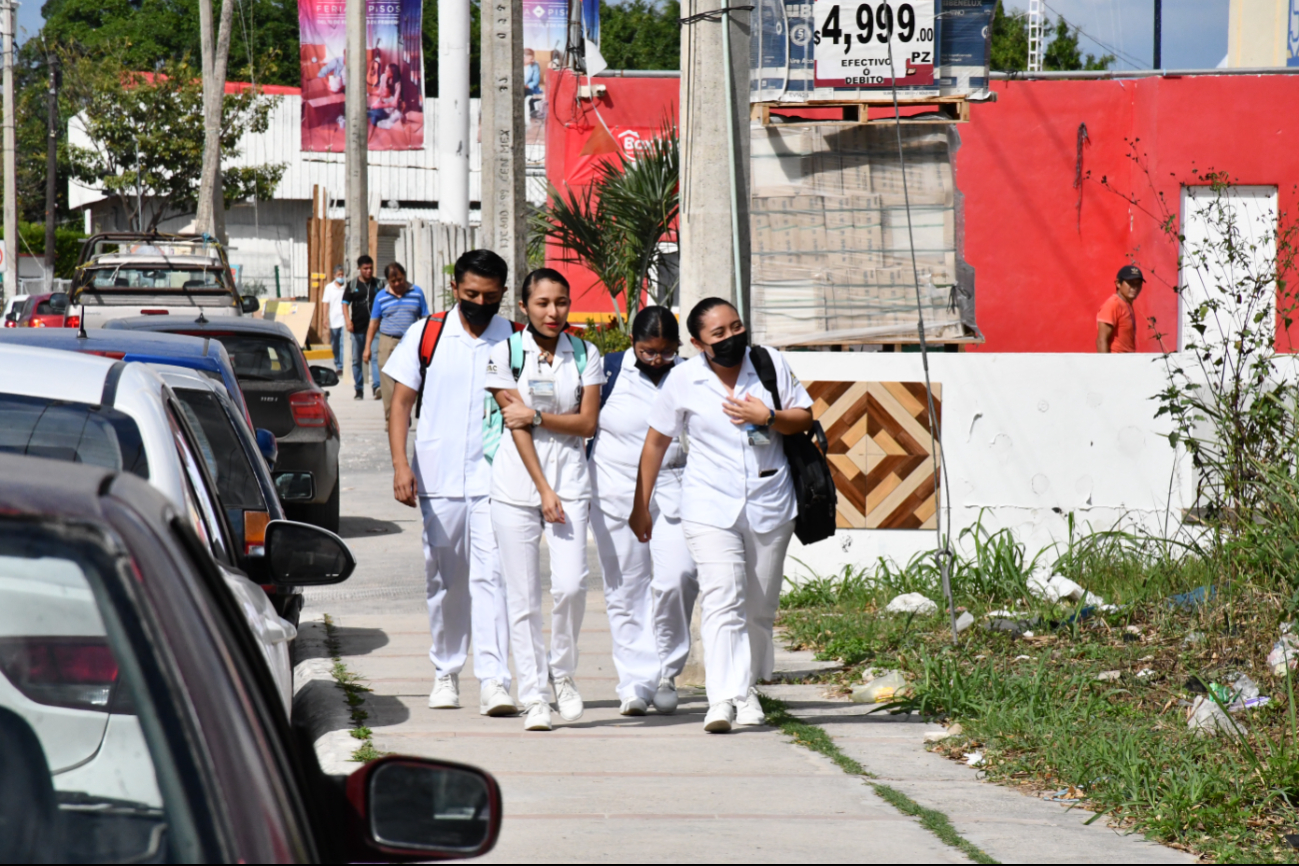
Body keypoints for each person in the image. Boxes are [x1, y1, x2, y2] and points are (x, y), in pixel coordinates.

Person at [631, 298, 813, 734]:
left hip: (770, 502)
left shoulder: (770, 364)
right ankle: (722, 699)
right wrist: (641, 504)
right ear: (697, 343)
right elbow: (656, 443)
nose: (732, 337)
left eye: (736, 327)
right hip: (709, 504)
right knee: (722, 596)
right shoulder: (683, 379)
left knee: (759, 606)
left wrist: (766, 416)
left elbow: (804, 419)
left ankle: (746, 689)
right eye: (719, 333)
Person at [382, 249, 517, 717]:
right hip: (438, 477)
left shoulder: (514, 340)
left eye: (490, 295)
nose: (480, 302)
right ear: (456, 289)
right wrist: (401, 465)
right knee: (444, 579)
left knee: (492, 576)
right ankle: (446, 670)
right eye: (471, 294)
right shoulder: (428, 333)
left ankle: (496, 679)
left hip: (497, 477)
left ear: (503, 293)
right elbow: (400, 404)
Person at [486, 268, 604, 731]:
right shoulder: (504, 353)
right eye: (542, 303)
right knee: (523, 597)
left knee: (572, 585)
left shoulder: (585, 353)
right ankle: (533, 695)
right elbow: (514, 427)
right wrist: (542, 489)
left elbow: (587, 423)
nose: (553, 312)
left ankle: (563, 673)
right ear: (524, 306)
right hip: (517, 485)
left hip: (571, 481)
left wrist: (537, 414)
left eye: (561, 302)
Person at [588, 307, 697, 717]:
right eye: (648, 351)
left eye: (667, 352)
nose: (657, 360)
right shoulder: (609, 370)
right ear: (632, 342)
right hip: (615, 488)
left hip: (674, 486)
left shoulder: (687, 373)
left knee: (678, 577)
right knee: (626, 589)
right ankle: (634, 682)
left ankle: (667, 672)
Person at [364, 263, 429, 425]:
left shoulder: (417, 293)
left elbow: (425, 319)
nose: (398, 284)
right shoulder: (381, 296)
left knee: (411, 379)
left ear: (405, 276)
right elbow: (373, 323)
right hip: (387, 340)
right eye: (393, 281)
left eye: (400, 279)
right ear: (388, 281)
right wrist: (367, 348)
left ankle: (404, 412)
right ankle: (392, 419)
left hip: (411, 341)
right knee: (386, 381)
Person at [341, 255, 384, 400]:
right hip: (357, 329)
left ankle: (376, 387)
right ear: (359, 269)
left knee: (375, 357)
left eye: (371, 268)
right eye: (365, 268)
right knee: (357, 360)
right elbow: (345, 303)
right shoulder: (352, 285)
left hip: (376, 328)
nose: (369, 271)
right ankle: (359, 389)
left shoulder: (379, 284)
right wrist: (348, 321)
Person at [1097, 264, 1143, 353]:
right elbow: (1101, 340)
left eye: (1138, 284)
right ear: (1118, 283)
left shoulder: (1126, 304)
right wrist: (1105, 366)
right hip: (1116, 362)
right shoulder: (1113, 304)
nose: (1135, 287)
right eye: (1130, 283)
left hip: (1127, 362)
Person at [322, 265, 347, 374]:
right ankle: (337, 361)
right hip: (333, 320)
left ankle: (341, 366)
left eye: (342, 275)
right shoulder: (329, 287)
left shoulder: (346, 287)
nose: (341, 277)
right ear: (334, 275)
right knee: (335, 343)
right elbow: (325, 303)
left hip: (344, 319)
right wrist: (325, 317)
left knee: (343, 343)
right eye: (338, 275)